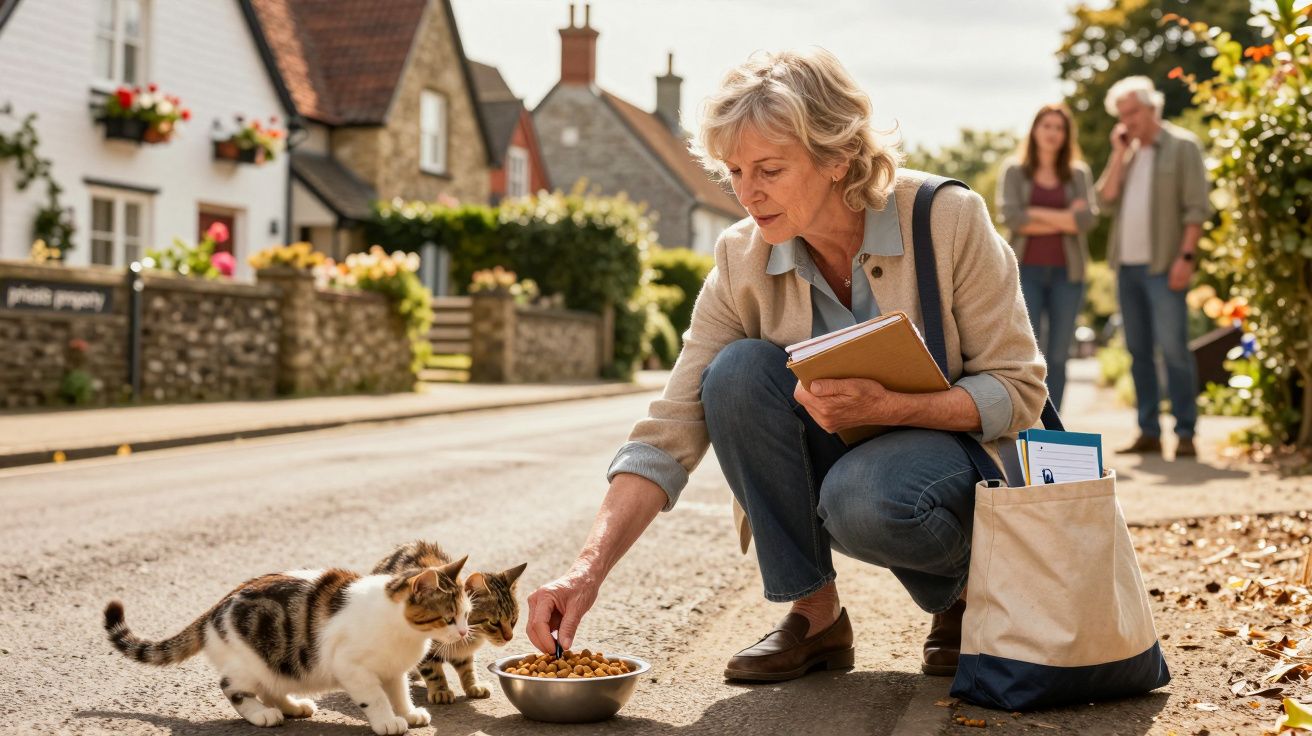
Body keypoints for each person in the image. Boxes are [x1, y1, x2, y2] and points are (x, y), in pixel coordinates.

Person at [526, 48, 1046, 682]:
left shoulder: (946, 218)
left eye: (769, 168)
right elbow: (673, 424)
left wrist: (890, 407)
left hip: (954, 459)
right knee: (738, 372)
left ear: (838, 158)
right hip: (854, 460)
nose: (748, 193)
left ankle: (971, 595)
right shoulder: (741, 257)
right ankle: (816, 615)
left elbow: (1018, 389)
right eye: (735, 171)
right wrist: (586, 571)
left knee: (863, 497)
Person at [1095, 76, 1211, 458]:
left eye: (1133, 112)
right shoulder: (1127, 153)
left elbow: (1197, 208)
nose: (1127, 121)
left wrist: (1187, 257)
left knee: (1174, 350)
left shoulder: (1182, 147)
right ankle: (1148, 431)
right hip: (1127, 268)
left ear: (1152, 108)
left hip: (1165, 265)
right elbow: (1105, 200)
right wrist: (1116, 153)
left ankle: (1186, 433)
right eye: (1122, 115)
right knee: (1138, 351)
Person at [996, 103, 1097, 411]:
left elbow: (1085, 221)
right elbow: (1012, 218)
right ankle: (1030, 420)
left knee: (1058, 353)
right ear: (1035, 130)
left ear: (1066, 135)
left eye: (1059, 128)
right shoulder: (1014, 170)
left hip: (1068, 275)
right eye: (1047, 126)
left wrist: (1034, 216)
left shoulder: (1078, 174)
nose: (1052, 133)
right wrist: (1064, 217)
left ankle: (1056, 426)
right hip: (1027, 272)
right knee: (1029, 351)